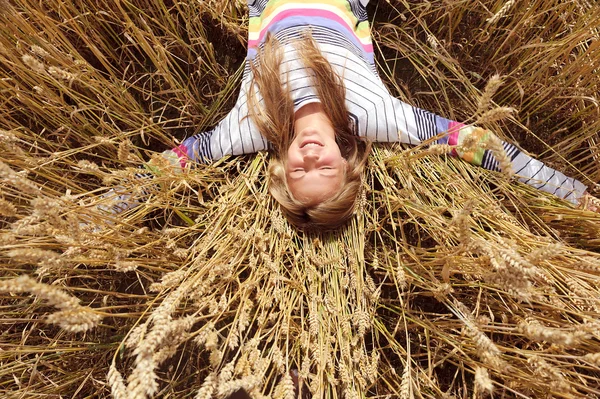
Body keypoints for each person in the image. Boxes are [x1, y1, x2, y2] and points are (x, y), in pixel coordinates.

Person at [100, 0, 596, 231]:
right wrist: (572, 195)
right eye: (326, 170)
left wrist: (90, 219)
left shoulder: (250, 128)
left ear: (281, 167)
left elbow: (166, 168)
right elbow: (482, 147)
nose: (311, 157)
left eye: (299, 171)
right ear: (347, 161)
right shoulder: (375, 118)